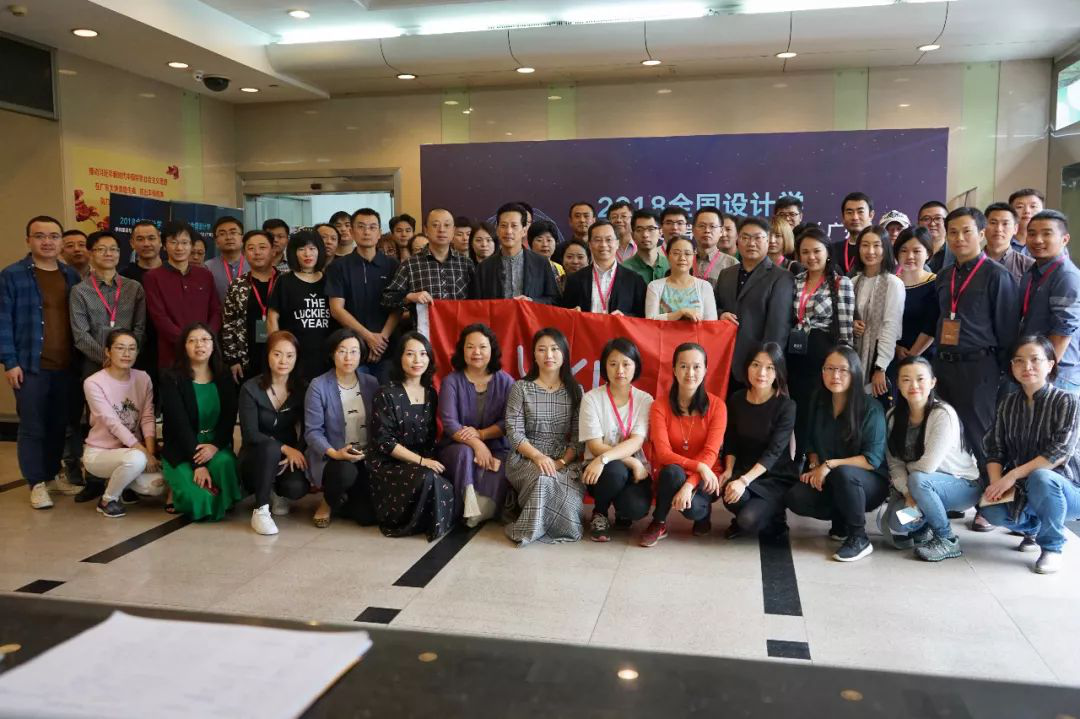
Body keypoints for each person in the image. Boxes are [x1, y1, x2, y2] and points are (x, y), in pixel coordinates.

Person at [1, 216, 85, 509]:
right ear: (28, 240)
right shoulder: (12, 275)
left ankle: (50, 475)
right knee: (32, 426)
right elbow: (3, 321)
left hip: (66, 366)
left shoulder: (70, 276)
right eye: (39, 236)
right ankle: (35, 482)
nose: (47, 242)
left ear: (61, 241)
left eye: (53, 236)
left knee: (58, 425)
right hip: (29, 366)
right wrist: (9, 361)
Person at [979, 335, 1080, 574]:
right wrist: (997, 485)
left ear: (1050, 364)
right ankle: (1033, 529)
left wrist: (1012, 475)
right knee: (990, 510)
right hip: (1026, 490)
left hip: (1067, 489)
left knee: (1042, 477)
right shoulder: (1008, 403)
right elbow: (995, 447)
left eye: (1035, 360)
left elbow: (1059, 452)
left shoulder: (1068, 400)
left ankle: (1052, 547)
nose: (1027, 366)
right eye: (1019, 360)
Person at [932, 207, 1019, 472]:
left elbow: (1007, 330)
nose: (959, 238)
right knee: (946, 434)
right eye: (953, 232)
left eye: (966, 231)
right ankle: (958, 491)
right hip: (943, 365)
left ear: (981, 234)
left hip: (979, 368)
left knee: (981, 435)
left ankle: (992, 495)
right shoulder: (944, 276)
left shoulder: (997, 275)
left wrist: (1000, 374)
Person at [785, 346, 888, 562]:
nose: (835, 375)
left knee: (844, 474)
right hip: (831, 476)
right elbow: (811, 442)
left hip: (868, 482)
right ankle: (841, 520)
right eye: (829, 369)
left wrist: (829, 465)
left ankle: (859, 538)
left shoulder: (871, 408)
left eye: (842, 370)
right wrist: (814, 467)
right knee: (796, 496)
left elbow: (871, 460)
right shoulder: (819, 401)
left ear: (855, 373)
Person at [880, 356, 981, 560]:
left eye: (920, 379)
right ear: (898, 384)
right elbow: (895, 464)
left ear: (933, 382)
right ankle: (924, 524)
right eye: (906, 379)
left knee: (919, 479)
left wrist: (911, 481)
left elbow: (927, 466)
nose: (914, 385)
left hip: (962, 487)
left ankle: (946, 539)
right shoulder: (892, 416)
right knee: (898, 521)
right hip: (919, 490)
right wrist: (907, 493)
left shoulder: (943, 414)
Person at [368, 332, 454, 540]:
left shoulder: (431, 393)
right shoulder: (386, 393)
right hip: (390, 463)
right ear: (400, 358)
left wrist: (429, 460)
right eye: (410, 354)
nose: (417, 360)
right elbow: (385, 442)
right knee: (427, 477)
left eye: (423, 354)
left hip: (421, 460)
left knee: (444, 479)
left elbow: (431, 437)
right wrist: (423, 462)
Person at [639, 342, 726, 546]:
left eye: (696, 366)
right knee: (672, 472)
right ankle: (659, 522)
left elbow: (711, 452)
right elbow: (663, 453)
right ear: (674, 369)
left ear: (705, 370)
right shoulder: (659, 406)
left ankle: (703, 514)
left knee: (693, 509)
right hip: (675, 472)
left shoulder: (717, 406)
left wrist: (691, 482)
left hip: (705, 476)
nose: (690, 373)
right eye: (684, 366)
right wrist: (698, 466)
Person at [504, 328, 584, 545]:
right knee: (543, 479)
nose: (549, 355)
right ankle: (529, 528)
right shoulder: (521, 388)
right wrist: (538, 457)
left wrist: (561, 462)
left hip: (564, 459)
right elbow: (514, 431)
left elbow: (578, 438)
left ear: (564, 354)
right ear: (534, 355)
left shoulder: (576, 390)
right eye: (542, 349)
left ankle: (535, 516)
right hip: (526, 457)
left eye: (555, 349)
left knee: (568, 500)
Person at [159, 323, 242, 521]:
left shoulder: (224, 375)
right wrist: (197, 464)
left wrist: (215, 446)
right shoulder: (171, 378)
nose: (199, 345)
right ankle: (178, 489)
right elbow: (179, 425)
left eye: (205, 339)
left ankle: (220, 495)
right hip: (183, 448)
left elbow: (228, 418)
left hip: (214, 445)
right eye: (192, 341)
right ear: (184, 347)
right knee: (201, 500)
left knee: (225, 463)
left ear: (213, 345)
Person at [82, 329, 165, 518]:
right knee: (137, 459)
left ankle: (124, 485)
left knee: (156, 487)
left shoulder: (143, 378)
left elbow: (147, 416)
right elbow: (112, 423)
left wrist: (151, 453)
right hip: (100, 453)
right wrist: (144, 454)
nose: (126, 353)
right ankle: (108, 500)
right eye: (120, 348)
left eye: (132, 348)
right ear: (108, 351)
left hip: (132, 451)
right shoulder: (93, 382)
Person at [720, 343, 799, 540]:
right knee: (730, 497)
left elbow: (774, 452)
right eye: (756, 365)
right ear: (747, 366)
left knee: (748, 520)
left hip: (774, 476)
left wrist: (743, 481)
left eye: (770, 367)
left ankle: (776, 517)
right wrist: (729, 471)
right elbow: (731, 439)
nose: (761, 373)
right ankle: (757, 513)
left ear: (778, 372)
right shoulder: (737, 399)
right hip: (743, 469)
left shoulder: (786, 406)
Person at [438, 324, 514, 527]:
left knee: (501, 464)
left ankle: (483, 510)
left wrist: (481, 435)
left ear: (492, 350)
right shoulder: (451, 381)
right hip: (456, 445)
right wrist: (477, 444)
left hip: (497, 446)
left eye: (482, 347)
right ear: (462, 350)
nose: (476, 352)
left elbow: (508, 422)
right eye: (470, 347)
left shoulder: (506, 382)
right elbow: (449, 423)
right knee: (464, 453)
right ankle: (468, 505)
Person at [788, 227, 855, 455]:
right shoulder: (795, 281)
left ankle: (816, 458)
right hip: (796, 355)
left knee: (819, 411)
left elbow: (845, 331)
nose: (811, 257)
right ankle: (798, 459)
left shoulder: (841, 283)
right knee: (798, 409)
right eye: (805, 252)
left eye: (816, 251)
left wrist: (842, 367)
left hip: (823, 358)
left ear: (827, 252)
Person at [304, 329, 380, 528]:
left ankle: (344, 499)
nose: (348, 357)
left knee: (367, 517)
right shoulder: (318, 386)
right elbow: (312, 431)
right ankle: (327, 502)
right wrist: (335, 453)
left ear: (361, 354)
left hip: (365, 456)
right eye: (342, 351)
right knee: (345, 472)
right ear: (332, 354)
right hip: (333, 457)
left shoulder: (371, 383)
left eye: (354, 351)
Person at [580, 338, 654, 542]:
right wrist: (629, 461)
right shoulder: (591, 398)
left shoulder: (645, 400)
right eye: (613, 364)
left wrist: (633, 463)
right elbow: (595, 446)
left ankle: (623, 511)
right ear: (605, 366)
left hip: (634, 473)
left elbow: (637, 441)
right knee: (615, 470)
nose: (619, 370)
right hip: (599, 470)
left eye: (626, 364)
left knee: (635, 508)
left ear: (635, 366)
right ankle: (600, 512)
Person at [715, 217, 796, 394]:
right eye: (745, 237)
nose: (751, 243)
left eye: (758, 238)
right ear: (737, 240)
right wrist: (721, 314)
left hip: (757, 369)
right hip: (723, 365)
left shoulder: (781, 277)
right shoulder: (726, 274)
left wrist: (764, 367)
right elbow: (715, 307)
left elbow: (778, 329)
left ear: (767, 241)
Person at [239, 331, 309, 535]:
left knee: (296, 487)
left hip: (286, 459)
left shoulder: (302, 389)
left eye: (290, 355)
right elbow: (250, 433)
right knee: (270, 447)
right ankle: (260, 510)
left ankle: (277, 491)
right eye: (277, 354)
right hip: (255, 455)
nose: (283, 361)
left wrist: (297, 450)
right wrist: (285, 448)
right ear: (267, 355)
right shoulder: (250, 388)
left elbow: (309, 428)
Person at [324, 208, 400, 380]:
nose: (367, 232)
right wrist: (368, 337)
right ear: (351, 232)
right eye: (361, 226)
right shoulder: (338, 267)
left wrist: (380, 341)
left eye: (372, 227)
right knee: (353, 396)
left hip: (387, 349)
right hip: (351, 350)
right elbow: (336, 309)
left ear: (379, 233)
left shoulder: (393, 265)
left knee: (387, 394)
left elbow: (398, 307)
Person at [143, 220, 221, 369]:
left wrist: (205, 339)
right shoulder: (153, 277)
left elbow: (216, 310)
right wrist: (188, 342)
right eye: (173, 242)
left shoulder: (205, 275)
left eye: (185, 243)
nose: (179, 248)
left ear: (191, 245)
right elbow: (159, 317)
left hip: (205, 353)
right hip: (172, 355)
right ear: (164, 245)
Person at [1018, 210, 1080, 394]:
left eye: (1047, 234)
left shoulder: (1066, 276)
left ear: (1065, 239)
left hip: (1056, 376)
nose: (1038, 240)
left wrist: (1042, 373)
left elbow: (1063, 332)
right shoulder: (1033, 272)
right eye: (1032, 234)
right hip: (1035, 369)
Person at [70, 230, 147, 379]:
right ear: (90, 254)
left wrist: (126, 355)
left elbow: (140, 327)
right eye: (101, 249)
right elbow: (80, 335)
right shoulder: (79, 291)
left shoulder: (134, 288)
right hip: (94, 366)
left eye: (113, 249)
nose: (108, 253)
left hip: (129, 364)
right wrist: (108, 359)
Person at [382, 208, 474, 326]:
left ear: (453, 231)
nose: (441, 230)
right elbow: (387, 299)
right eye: (435, 225)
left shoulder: (466, 264)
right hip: (423, 334)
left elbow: (477, 302)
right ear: (426, 230)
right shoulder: (410, 264)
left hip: (460, 331)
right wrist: (409, 297)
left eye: (447, 225)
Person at [268, 231, 335, 383]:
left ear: (320, 251)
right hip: (293, 354)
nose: (307, 254)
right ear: (294, 253)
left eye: (312, 248)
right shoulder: (284, 281)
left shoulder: (329, 281)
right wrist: (277, 348)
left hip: (325, 355)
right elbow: (272, 317)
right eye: (301, 249)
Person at [850, 225, 905, 403]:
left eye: (876, 245)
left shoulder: (893, 283)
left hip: (880, 360)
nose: (870, 251)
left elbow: (891, 326)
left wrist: (880, 367)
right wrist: (852, 325)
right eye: (865, 245)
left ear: (885, 248)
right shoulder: (853, 282)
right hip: (853, 357)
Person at [471, 203, 559, 303]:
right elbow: (476, 304)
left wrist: (531, 302)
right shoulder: (484, 268)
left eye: (514, 226)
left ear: (524, 231)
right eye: (503, 226)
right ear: (497, 230)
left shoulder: (541, 263)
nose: (508, 231)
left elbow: (554, 300)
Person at [222, 230, 278, 384]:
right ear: (244, 253)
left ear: (273, 251)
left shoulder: (284, 282)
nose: (257, 253)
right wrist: (233, 359)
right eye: (251, 248)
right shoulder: (237, 285)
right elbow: (228, 323)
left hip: (281, 354)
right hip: (247, 356)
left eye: (262, 247)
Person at [561, 221, 647, 316]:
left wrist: (625, 317)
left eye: (608, 239)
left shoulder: (634, 280)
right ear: (590, 245)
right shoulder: (575, 279)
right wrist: (572, 313)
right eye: (597, 240)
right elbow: (565, 313)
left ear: (617, 243)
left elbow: (642, 317)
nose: (603, 244)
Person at [891, 227, 939, 386]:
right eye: (904, 251)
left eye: (917, 251)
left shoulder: (936, 283)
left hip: (925, 359)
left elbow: (931, 326)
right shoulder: (891, 283)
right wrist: (896, 348)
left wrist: (912, 356)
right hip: (892, 355)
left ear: (928, 253)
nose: (910, 256)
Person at [122, 221, 163, 392]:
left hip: (167, 346)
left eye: (151, 238)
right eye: (140, 239)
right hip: (136, 349)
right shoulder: (124, 276)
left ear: (160, 241)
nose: (146, 244)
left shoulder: (172, 272)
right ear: (132, 243)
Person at [645, 237, 717, 321]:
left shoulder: (704, 286)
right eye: (676, 253)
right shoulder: (655, 286)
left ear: (693, 256)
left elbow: (711, 323)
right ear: (667, 256)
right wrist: (680, 313)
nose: (682, 258)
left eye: (687, 254)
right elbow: (649, 321)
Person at [983, 203, 1034, 283]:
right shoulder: (969, 262)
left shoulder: (1028, 266)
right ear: (983, 227)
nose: (998, 229)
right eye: (993, 223)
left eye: (1005, 224)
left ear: (1015, 229)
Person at [692, 207, 739, 287]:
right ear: (693, 230)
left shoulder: (732, 264)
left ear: (721, 231)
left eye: (712, 226)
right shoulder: (683, 260)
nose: (707, 230)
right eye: (702, 226)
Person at [622, 209, 670, 285]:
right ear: (632, 235)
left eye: (651, 229)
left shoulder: (671, 265)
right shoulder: (624, 269)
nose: (645, 235)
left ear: (660, 232)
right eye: (639, 230)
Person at [205, 216, 246, 302]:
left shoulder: (253, 265)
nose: (228, 237)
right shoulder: (208, 267)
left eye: (233, 232)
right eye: (222, 234)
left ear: (242, 239)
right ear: (216, 242)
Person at [831, 192, 875, 274]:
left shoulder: (880, 249)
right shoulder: (832, 250)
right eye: (849, 212)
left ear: (871, 215)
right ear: (843, 217)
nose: (855, 217)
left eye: (860, 212)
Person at [526, 219, 565, 287]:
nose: (545, 244)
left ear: (556, 243)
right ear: (530, 243)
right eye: (539, 240)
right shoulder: (524, 267)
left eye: (549, 240)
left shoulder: (559, 268)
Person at [917, 201, 951, 273]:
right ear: (918, 224)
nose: (932, 224)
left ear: (948, 223)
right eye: (926, 219)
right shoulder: (909, 254)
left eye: (938, 218)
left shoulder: (957, 254)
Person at [1009, 188, 1045, 253]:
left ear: (1042, 211)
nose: (1027, 211)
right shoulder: (1002, 242)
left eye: (1033, 206)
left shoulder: (1052, 243)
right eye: (1020, 207)